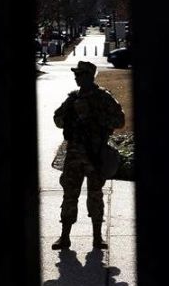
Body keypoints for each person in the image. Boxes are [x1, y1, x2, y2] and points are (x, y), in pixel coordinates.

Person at [52, 60, 125, 250]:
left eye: (80, 74)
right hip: (74, 155)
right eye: (76, 74)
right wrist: (70, 114)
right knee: (69, 195)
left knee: (95, 195)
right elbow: (57, 120)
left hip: (95, 154)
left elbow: (120, 121)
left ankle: (97, 237)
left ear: (89, 76)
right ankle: (64, 237)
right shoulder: (73, 98)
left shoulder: (103, 98)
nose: (76, 78)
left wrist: (93, 117)